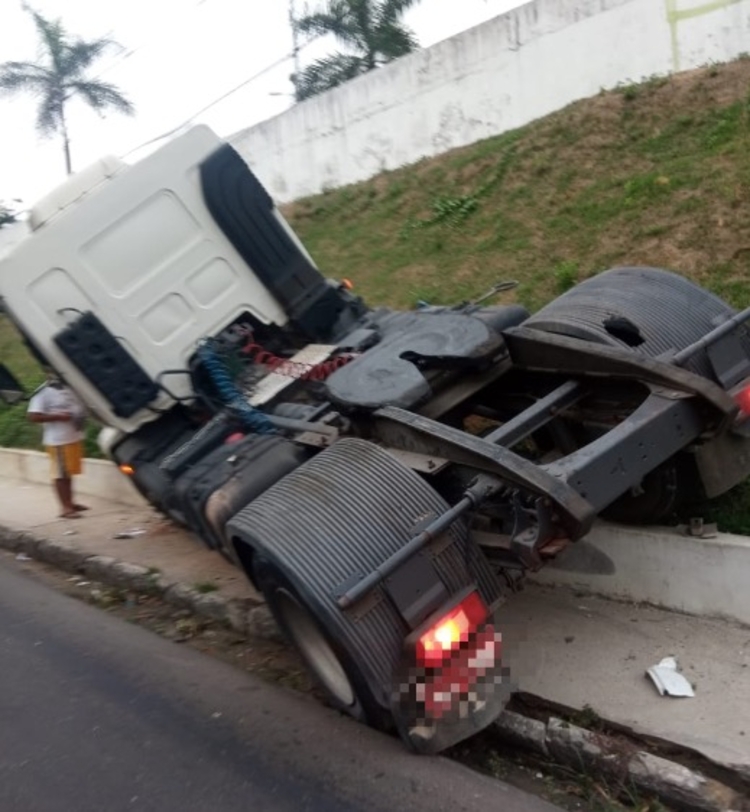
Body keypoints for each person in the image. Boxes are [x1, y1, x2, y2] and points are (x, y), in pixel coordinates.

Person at [27, 369, 88, 519]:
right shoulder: (42, 393)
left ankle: (70, 502)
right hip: (58, 440)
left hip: (73, 436)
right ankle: (65, 508)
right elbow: (33, 416)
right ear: (48, 374)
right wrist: (58, 416)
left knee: (68, 472)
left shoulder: (69, 387)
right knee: (60, 474)